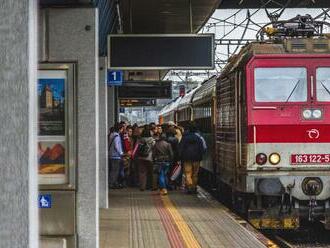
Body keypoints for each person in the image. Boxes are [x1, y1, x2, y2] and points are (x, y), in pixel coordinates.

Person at [179, 122, 205, 194]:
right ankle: (194, 187)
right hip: (197, 158)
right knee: (195, 174)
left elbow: (180, 148)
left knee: (188, 173)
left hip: (186, 158)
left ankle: (190, 187)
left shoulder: (184, 138)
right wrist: (200, 155)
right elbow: (202, 148)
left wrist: (180, 156)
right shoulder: (198, 138)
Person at [136, 126, 155, 191]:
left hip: (140, 157)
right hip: (149, 157)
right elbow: (154, 148)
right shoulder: (152, 140)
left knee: (142, 172)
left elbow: (137, 148)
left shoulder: (140, 140)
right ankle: (152, 186)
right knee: (151, 172)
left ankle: (142, 187)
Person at [108, 123, 124, 189]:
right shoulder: (117, 136)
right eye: (122, 128)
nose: (122, 130)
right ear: (120, 129)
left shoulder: (111, 135)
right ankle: (111, 183)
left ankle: (113, 182)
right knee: (115, 170)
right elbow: (117, 146)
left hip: (110, 154)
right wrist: (121, 153)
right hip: (116, 156)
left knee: (112, 170)